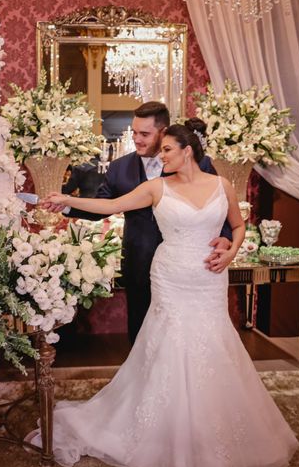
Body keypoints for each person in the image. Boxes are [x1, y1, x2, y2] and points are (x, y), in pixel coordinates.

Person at [28, 120, 299, 467]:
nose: (161, 155)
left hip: (209, 277)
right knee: (170, 345)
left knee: (212, 343)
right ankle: (161, 429)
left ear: (187, 151)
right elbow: (112, 206)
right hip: (171, 276)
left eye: (167, 149)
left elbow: (238, 225)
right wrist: (66, 200)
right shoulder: (156, 187)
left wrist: (231, 249)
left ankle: (211, 429)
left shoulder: (223, 185)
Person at [44, 102, 232, 344]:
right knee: (141, 327)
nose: (137, 139)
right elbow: (103, 207)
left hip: (189, 266)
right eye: (134, 132)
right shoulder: (119, 168)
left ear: (163, 132)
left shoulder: (196, 163)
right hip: (139, 259)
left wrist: (226, 238)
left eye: (144, 134)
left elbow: (221, 207)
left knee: (187, 332)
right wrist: (68, 205)